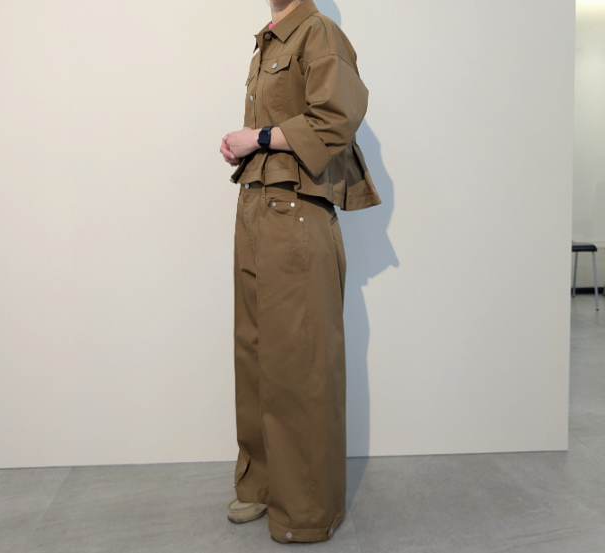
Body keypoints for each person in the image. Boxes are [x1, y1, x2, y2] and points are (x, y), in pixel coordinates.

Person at [219, 0, 380, 544]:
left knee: (301, 363)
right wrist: (247, 149)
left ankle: (306, 510)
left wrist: (258, 137)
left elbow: (335, 119)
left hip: (295, 214)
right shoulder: (268, 40)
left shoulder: (318, 32)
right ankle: (262, 484)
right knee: (254, 355)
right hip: (255, 207)